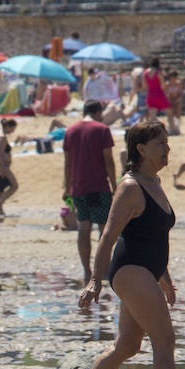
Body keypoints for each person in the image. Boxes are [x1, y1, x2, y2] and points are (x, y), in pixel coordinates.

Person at [63, 119, 185, 369]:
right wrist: (94, 281)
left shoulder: (154, 182)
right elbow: (108, 237)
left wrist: (164, 278)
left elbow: (154, 237)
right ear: (141, 148)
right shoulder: (130, 186)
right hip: (130, 271)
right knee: (164, 339)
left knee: (127, 346)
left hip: (147, 272)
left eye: (167, 143)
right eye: (161, 144)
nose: (168, 149)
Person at [63, 100, 118, 283]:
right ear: (97, 112)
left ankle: (87, 271)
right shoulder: (102, 129)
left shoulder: (70, 131)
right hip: (99, 188)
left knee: (83, 228)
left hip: (78, 188)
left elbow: (67, 162)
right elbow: (108, 160)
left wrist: (67, 188)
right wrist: (115, 186)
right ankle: (102, 271)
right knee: (104, 231)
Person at [0, 117, 19, 221]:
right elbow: (0, 154)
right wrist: (2, 168)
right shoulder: (2, 138)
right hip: (0, 165)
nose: (13, 131)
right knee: (14, 186)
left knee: (1, 187)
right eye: (12, 128)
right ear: (8, 127)